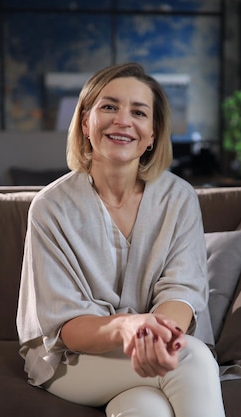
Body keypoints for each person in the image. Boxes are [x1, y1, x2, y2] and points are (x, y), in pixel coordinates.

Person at [16, 62, 225, 417]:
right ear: (85, 122)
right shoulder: (50, 208)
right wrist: (130, 328)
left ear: (153, 134)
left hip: (157, 346)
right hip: (74, 360)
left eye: (139, 112)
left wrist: (152, 338)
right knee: (189, 357)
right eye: (109, 106)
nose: (122, 120)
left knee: (146, 409)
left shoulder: (179, 198)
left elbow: (182, 292)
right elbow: (66, 328)